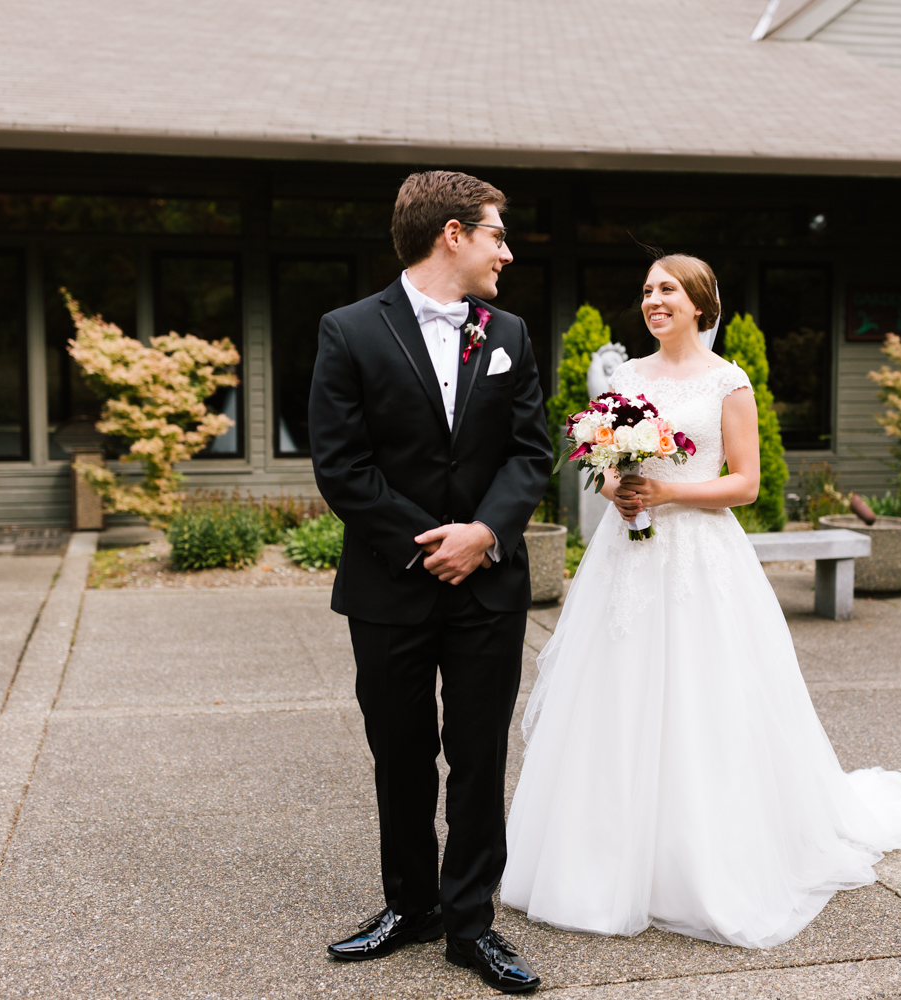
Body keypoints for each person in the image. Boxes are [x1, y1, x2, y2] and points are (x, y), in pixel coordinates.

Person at [499, 254, 901, 948]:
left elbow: (745, 484)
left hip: (702, 557)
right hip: (627, 561)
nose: (654, 300)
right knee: (614, 697)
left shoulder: (728, 381)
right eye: (648, 290)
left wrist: (669, 491)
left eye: (669, 290)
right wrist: (621, 488)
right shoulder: (626, 377)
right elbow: (620, 470)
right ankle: (603, 859)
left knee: (701, 700)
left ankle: (702, 858)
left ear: (700, 305)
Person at [309, 171, 552, 994]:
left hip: (489, 585)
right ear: (452, 233)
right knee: (401, 756)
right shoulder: (347, 331)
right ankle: (409, 906)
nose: (506, 253)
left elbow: (531, 453)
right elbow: (342, 469)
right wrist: (424, 548)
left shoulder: (510, 331)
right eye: (496, 235)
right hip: (390, 586)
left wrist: (484, 535)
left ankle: (471, 925)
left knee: (478, 757)